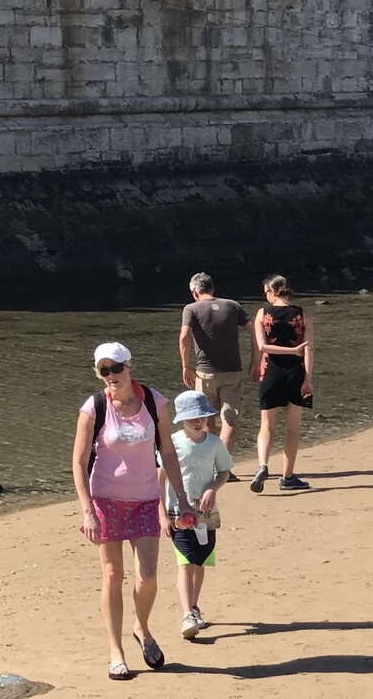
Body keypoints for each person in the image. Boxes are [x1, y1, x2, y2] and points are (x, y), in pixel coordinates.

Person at [70, 341, 192, 682]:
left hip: (146, 500)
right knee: (112, 576)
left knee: (148, 577)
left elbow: (168, 452)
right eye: (103, 370)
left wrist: (182, 499)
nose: (111, 375)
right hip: (105, 500)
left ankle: (142, 627)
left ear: (129, 366)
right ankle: (116, 652)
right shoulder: (94, 408)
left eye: (116, 368)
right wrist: (87, 511)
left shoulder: (154, 402)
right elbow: (79, 462)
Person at [160, 391, 232, 641]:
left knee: (200, 562)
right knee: (185, 561)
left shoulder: (215, 444)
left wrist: (213, 488)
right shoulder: (171, 444)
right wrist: (162, 515)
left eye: (202, 416)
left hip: (206, 514)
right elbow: (158, 480)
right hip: (177, 512)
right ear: (182, 419)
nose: (198, 421)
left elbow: (224, 471)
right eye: (192, 418)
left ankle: (194, 606)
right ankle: (187, 614)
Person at [249, 275, 314, 493]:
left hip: (271, 372)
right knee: (292, 429)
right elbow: (308, 349)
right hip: (296, 372)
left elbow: (262, 347)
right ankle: (287, 477)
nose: (265, 297)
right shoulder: (303, 314)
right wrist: (308, 379)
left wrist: (289, 351)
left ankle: (262, 465)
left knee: (266, 425)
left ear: (273, 291)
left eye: (266, 292)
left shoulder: (262, 314)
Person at [178, 272, 247, 453]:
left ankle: (212, 461)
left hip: (205, 373)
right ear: (212, 288)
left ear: (195, 292)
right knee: (229, 420)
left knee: (207, 419)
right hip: (233, 372)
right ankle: (223, 462)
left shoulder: (191, 309)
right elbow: (255, 328)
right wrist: (257, 360)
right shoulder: (233, 305)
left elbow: (184, 336)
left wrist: (185, 366)